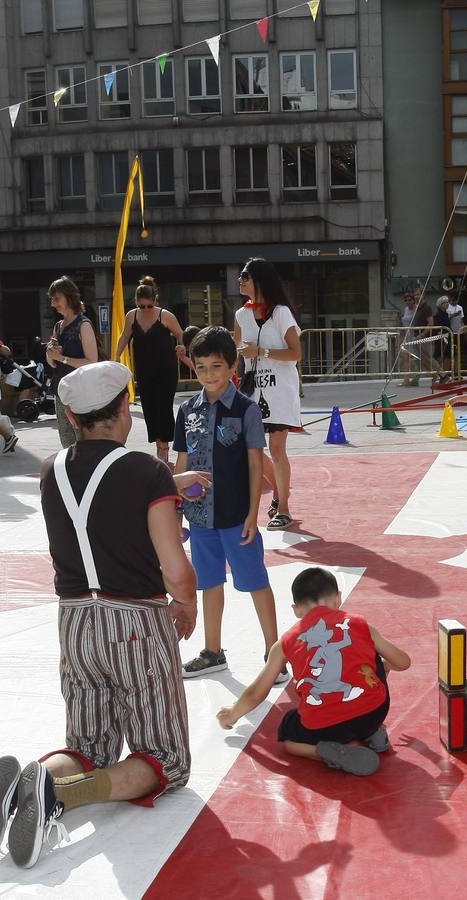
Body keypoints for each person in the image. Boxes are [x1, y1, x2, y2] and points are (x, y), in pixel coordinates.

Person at [0, 361, 200, 870]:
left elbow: (99, 511)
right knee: (165, 761)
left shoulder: (52, 470)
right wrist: (185, 601)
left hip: (75, 621)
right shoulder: (147, 471)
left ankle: (40, 776)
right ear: (123, 411)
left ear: (70, 414)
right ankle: (60, 798)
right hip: (134, 620)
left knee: (87, 744)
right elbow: (175, 568)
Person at [218, 567, 413, 777]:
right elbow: (403, 662)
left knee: (288, 736)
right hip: (373, 712)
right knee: (373, 657)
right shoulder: (358, 624)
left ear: (296, 609)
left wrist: (232, 714)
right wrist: (382, 666)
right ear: (337, 598)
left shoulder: (286, 642)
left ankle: (326, 752)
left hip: (325, 725)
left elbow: (258, 692)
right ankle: (373, 732)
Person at [173, 326, 285, 681]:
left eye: (217, 366)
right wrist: (177, 510)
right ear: (192, 367)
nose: (209, 374)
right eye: (201, 367)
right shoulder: (187, 409)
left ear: (233, 365)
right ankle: (212, 650)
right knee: (209, 584)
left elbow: (255, 464)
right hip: (200, 517)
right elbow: (181, 461)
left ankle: (274, 653)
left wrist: (253, 513)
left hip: (238, 516)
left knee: (254, 581)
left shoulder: (246, 409)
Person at [233, 257, 303, 530]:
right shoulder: (241, 315)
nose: (240, 281)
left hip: (281, 390)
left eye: (245, 276)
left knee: (276, 448)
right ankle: (279, 489)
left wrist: (261, 351)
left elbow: (296, 353)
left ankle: (283, 508)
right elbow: (238, 354)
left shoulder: (281, 313)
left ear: (259, 280)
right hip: (252, 389)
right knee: (251, 449)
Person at [113, 276, 185, 464]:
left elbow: (179, 333)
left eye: (149, 306)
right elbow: (124, 337)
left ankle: (164, 448)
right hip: (144, 370)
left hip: (165, 370)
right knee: (149, 409)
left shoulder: (165, 315)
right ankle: (159, 445)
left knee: (163, 408)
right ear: (137, 302)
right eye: (142, 306)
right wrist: (115, 357)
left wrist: (181, 346)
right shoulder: (132, 316)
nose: (145, 309)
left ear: (155, 301)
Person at [44, 275, 101, 449]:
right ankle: (73, 472)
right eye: (51, 299)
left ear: (69, 297)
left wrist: (62, 358)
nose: (53, 303)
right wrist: (51, 354)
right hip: (61, 389)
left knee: (82, 438)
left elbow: (92, 361)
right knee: (67, 440)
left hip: (80, 390)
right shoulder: (58, 326)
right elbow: (53, 363)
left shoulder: (83, 324)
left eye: (57, 298)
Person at [396, 290, 424, 386]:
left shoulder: (417, 309)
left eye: (410, 300)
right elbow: (403, 323)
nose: (408, 302)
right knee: (405, 358)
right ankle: (406, 379)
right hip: (407, 337)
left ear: (413, 300)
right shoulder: (405, 310)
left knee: (419, 359)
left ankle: (416, 378)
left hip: (415, 337)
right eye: (406, 300)